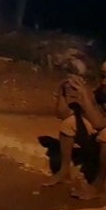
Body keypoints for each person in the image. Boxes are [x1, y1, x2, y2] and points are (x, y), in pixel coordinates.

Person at [43, 60, 106, 200]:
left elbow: (99, 124)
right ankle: (64, 171)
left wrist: (85, 97)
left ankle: (99, 186)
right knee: (69, 124)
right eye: (103, 76)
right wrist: (62, 92)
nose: (104, 82)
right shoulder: (101, 93)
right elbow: (63, 114)